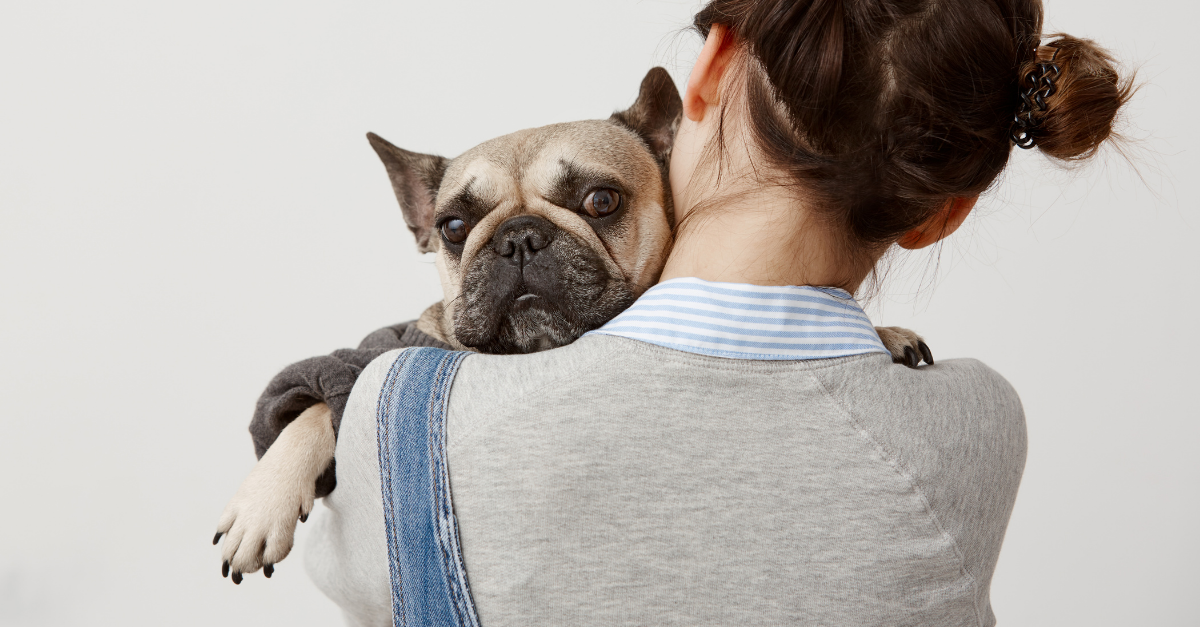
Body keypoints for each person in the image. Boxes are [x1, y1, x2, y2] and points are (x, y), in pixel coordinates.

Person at [304, 1, 1131, 625]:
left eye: (597, 201)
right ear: (942, 213)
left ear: (707, 68)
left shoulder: (407, 416)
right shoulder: (978, 423)